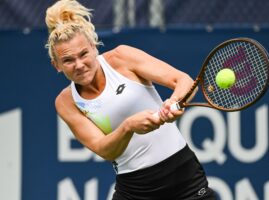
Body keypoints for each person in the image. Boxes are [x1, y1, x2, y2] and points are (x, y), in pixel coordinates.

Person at [45, 0, 215, 199]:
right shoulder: (66, 102)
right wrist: (128, 127)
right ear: (56, 65)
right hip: (134, 189)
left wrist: (174, 101)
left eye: (83, 54)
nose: (79, 64)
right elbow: (103, 149)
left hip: (183, 177)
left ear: (93, 47)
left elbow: (182, 80)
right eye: (68, 60)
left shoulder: (122, 58)